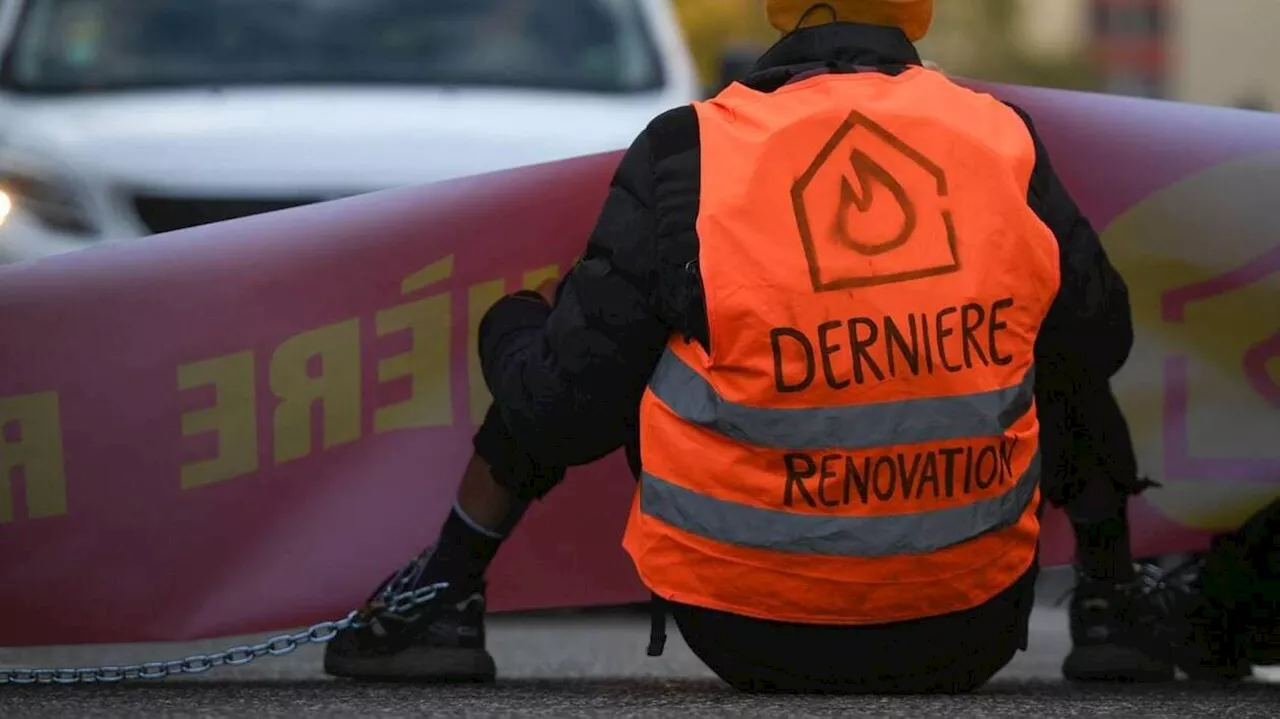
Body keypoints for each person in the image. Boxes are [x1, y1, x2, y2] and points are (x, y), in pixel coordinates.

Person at [323, 0, 1175, 691]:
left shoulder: (692, 150)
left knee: (598, 330)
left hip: (752, 631)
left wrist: (510, 322)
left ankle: (441, 596)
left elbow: (562, 404)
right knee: (1053, 318)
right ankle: (1112, 604)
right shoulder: (1000, 137)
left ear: (781, 13)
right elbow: (1104, 339)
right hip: (969, 626)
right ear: (918, 14)